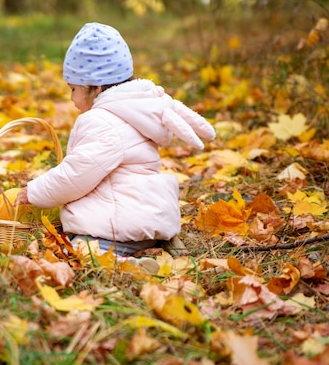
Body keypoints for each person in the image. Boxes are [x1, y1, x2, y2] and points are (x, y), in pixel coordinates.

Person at [16, 22, 215, 265]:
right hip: (150, 216)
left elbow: (76, 175)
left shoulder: (102, 121)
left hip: (120, 224)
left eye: (74, 89)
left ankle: (128, 264)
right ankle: (158, 243)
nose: (72, 98)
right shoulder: (136, 110)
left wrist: (34, 192)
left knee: (77, 250)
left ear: (95, 88)